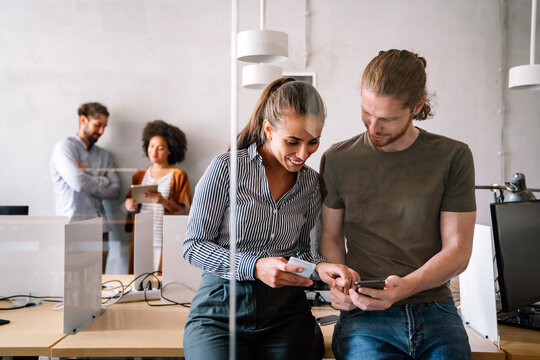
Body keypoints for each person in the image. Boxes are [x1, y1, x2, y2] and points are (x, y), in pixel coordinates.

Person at [317, 49, 477, 359]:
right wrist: (338, 283)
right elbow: (331, 236)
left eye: (387, 119)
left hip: (435, 309)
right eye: (366, 112)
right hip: (365, 313)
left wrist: (406, 286)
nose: (373, 127)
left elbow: (458, 249)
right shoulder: (337, 159)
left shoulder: (453, 157)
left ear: (416, 107)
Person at [182, 78, 349, 360]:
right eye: (293, 142)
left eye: (313, 142)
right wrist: (255, 266)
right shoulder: (226, 169)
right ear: (269, 130)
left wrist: (322, 267)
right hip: (220, 310)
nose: (303, 154)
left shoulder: (310, 183)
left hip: (285, 314)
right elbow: (193, 246)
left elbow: (304, 252)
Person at [50, 102, 121, 273]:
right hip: (73, 226)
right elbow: (78, 183)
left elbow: (115, 191)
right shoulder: (65, 148)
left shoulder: (104, 155)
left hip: (100, 228)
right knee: (71, 285)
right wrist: (103, 180)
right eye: (98, 125)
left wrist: (88, 177)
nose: (101, 131)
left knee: (98, 285)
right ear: (83, 120)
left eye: (104, 126)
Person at [124, 120, 192, 273]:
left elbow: (188, 212)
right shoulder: (139, 176)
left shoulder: (178, 175)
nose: (154, 152)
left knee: (164, 281)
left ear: (170, 150)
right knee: (140, 281)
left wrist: (162, 201)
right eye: (151, 146)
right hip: (141, 239)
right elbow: (130, 212)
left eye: (160, 148)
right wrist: (129, 206)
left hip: (166, 239)